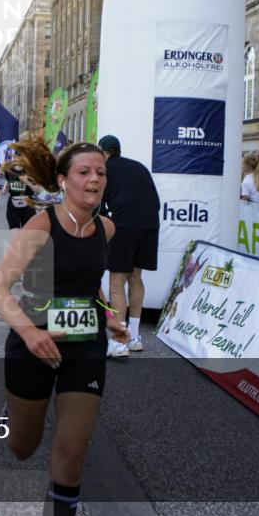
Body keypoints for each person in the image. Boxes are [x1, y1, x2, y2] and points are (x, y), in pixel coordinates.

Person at [0, 138, 127, 516]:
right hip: (32, 343)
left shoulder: (106, 228)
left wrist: (107, 314)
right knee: (22, 447)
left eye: (100, 172)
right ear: (63, 180)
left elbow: (89, 283)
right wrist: (30, 334)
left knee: (72, 454)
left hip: (85, 346)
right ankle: (13, 411)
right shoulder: (40, 226)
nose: (95, 179)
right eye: (84, 172)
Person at [97, 135, 160, 357]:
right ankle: (134, 337)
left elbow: (99, 208)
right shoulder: (138, 167)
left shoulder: (104, 170)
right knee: (135, 277)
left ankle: (119, 340)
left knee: (116, 282)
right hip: (150, 225)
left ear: (103, 152)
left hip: (124, 225)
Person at [4, 163, 37, 229]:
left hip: (28, 206)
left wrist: (27, 182)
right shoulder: (9, 170)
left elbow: (37, 190)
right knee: (15, 232)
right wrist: (5, 188)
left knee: (26, 232)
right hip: (13, 205)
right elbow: (8, 180)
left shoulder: (30, 170)